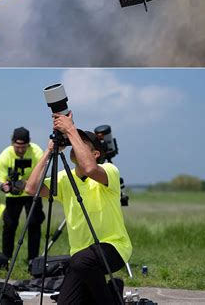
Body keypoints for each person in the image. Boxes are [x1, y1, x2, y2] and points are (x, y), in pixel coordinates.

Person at [25, 113, 132, 305]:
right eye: (75, 143)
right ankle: (112, 289)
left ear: (96, 154)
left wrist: (71, 130)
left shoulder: (108, 171)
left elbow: (90, 169)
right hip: (80, 259)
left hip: (114, 248)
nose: (75, 146)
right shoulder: (65, 178)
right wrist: (49, 152)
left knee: (82, 260)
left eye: (82, 145)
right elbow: (31, 188)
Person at [0, 127, 45, 262]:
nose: (20, 150)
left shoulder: (37, 152)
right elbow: (3, 181)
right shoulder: (4, 156)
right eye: (17, 147)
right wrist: (5, 187)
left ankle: (33, 259)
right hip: (13, 196)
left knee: (34, 224)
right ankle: (6, 258)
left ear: (28, 144)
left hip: (32, 192)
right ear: (12, 143)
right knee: (9, 225)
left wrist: (26, 184)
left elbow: (41, 174)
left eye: (23, 147)